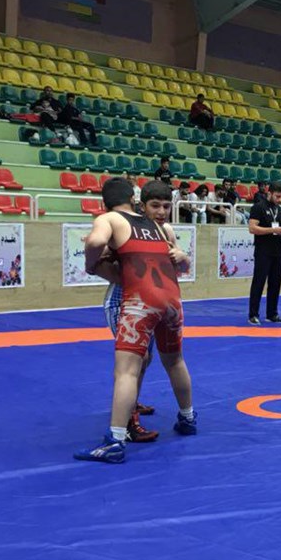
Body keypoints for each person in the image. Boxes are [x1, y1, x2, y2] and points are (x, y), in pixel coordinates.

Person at [74, 178, 195, 463]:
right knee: (174, 361)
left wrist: (91, 264)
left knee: (127, 371)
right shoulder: (159, 227)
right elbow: (179, 267)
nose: (161, 211)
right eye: (156, 205)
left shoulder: (111, 219)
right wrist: (183, 257)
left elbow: (95, 242)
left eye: (165, 206)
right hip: (172, 301)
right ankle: (188, 417)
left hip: (140, 301)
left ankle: (116, 440)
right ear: (136, 201)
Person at [247, 181, 281, 325]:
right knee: (258, 282)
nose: (280, 199)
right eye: (277, 196)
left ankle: (272, 313)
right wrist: (273, 230)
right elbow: (252, 228)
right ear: (269, 193)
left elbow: (280, 230)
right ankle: (253, 314)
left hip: (277, 250)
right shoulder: (258, 207)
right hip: (263, 251)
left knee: (275, 283)